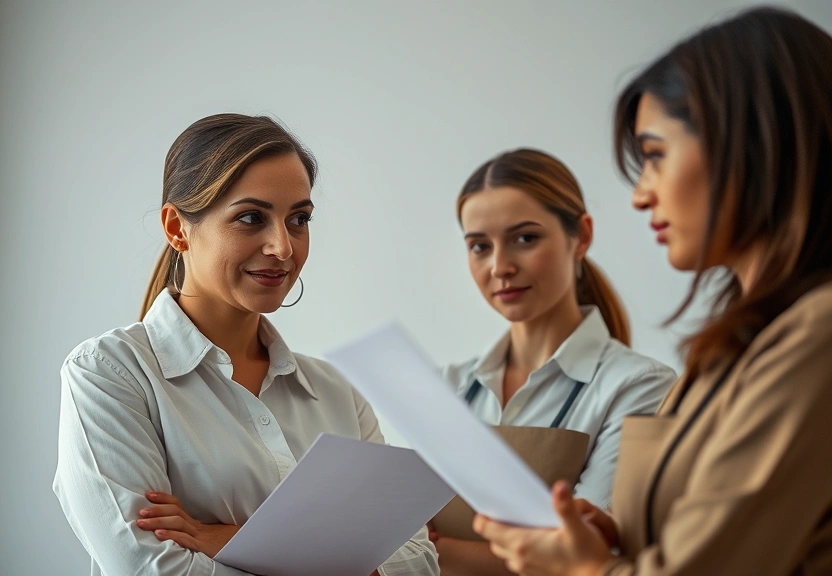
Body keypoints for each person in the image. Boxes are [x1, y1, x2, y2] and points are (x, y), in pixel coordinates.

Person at [472, 7, 832, 576]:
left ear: (752, 146)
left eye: (656, 156)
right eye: (478, 245)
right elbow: (696, 524)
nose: (641, 196)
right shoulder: (737, 342)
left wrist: (584, 568)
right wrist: (610, 533)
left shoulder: (817, 335)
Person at [53, 113, 439, 576]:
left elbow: (419, 561)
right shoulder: (109, 374)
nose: (283, 246)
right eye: (251, 218)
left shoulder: (336, 392)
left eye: (299, 219)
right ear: (177, 228)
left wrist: (231, 539)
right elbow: (149, 569)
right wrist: (337, 558)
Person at [434, 149, 675, 575]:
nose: (500, 266)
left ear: (580, 236)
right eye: (479, 246)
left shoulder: (641, 386)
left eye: (525, 238)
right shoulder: (447, 386)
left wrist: (439, 553)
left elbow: (579, 553)